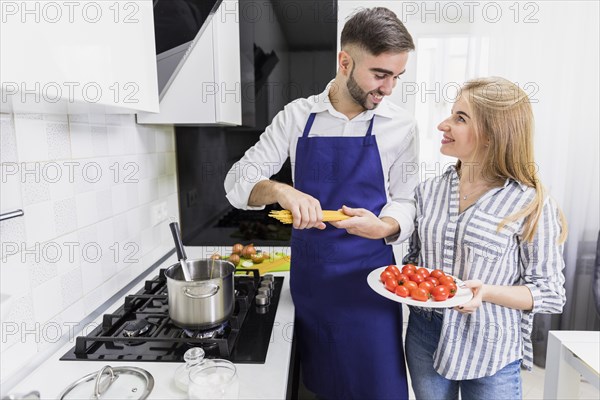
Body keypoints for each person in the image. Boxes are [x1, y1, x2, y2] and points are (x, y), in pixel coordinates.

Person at [224, 7, 418, 399]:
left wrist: (386, 225)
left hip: (372, 285)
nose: (389, 89)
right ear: (345, 62)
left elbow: (406, 198)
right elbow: (236, 184)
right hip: (314, 285)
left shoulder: (401, 124)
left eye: (396, 77)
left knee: (380, 388)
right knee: (319, 388)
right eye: (380, 75)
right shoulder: (297, 118)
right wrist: (281, 190)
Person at [401, 76, 568, 399]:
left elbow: (550, 293)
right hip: (425, 335)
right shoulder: (429, 191)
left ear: (493, 135)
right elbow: (413, 261)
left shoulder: (530, 202)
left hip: (491, 344)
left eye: (459, 118)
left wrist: (486, 291)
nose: (442, 125)